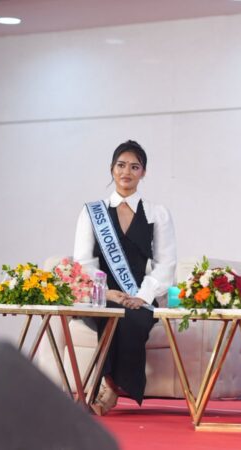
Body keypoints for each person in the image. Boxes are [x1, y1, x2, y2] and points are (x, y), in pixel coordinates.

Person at [73, 140, 176, 415]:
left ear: (144, 172)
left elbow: (166, 264)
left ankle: (110, 389)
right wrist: (105, 292)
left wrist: (142, 296)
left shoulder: (157, 213)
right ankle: (110, 386)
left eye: (134, 166)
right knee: (110, 314)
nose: (126, 172)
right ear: (111, 169)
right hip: (101, 296)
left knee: (132, 317)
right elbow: (83, 262)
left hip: (139, 296)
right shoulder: (92, 212)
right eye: (121, 165)